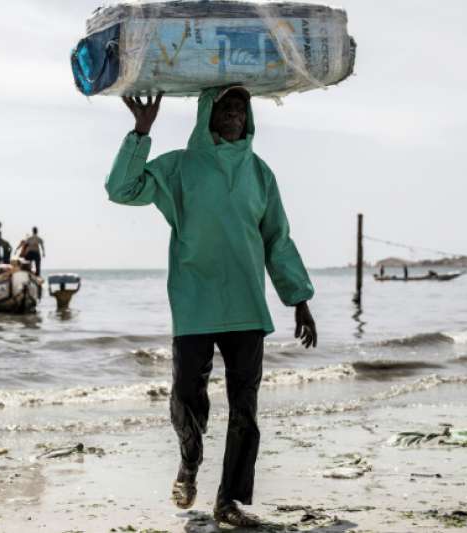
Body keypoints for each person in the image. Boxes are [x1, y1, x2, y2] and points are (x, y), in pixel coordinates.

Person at [108, 87, 317, 527]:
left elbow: (277, 238)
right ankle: (190, 459)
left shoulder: (260, 174)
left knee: (245, 410)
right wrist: (140, 132)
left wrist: (298, 298)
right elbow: (122, 189)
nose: (235, 114)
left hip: (246, 306)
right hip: (194, 303)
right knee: (186, 394)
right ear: (207, 114)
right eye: (226, 107)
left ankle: (228, 502)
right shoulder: (180, 167)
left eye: (241, 108)